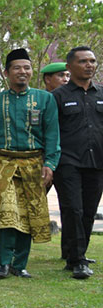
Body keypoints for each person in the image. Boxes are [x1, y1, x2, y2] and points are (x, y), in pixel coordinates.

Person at [0, 47, 59, 280]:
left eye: (27, 67)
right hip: (2, 165)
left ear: (32, 71)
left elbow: (53, 135)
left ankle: (20, 265)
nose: (23, 72)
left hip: (34, 164)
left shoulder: (45, 99)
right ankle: (3, 263)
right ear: (6, 72)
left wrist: (50, 164)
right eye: (17, 68)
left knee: (28, 215)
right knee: (6, 214)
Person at [51, 46, 101, 280]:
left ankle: (78, 253)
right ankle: (77, 261)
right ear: (70, 67)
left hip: (97, 161)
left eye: (92, 61)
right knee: (73, 209)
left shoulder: (101, 93)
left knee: (89, 211)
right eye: (83, 61)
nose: (89, 65)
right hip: (68, 162)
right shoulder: (58, 97)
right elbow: (49, 132)